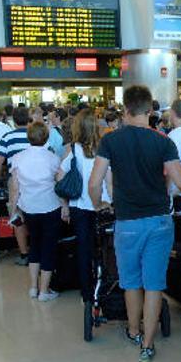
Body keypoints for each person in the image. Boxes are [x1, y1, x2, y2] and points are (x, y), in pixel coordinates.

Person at [88, 85, 181, 362]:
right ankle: (148, 344)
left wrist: (99, 204)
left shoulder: (110, 141)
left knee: (131, 282)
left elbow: (95, 182)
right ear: (150, 111)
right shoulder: (164, 142)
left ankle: (134, 331)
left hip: (127, 223)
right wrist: (173, 189)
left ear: (125, 110)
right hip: (159, 221)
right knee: (154, 284)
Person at [59, 110, 111, 305]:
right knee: (106, 248)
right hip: (103, 205)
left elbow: (60, 176)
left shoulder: (72, 149)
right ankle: (105, 286)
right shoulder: (104, 147)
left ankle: (87, 292)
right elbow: (110, 179)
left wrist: (64, 204)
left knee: (83, 248)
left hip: (80, 205)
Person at [10, 122, 65, 302]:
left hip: (28, 207)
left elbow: (15, 188)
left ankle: (33, 287)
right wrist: (65, 205)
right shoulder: (53, 158)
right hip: (50, 206)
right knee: (49, 247)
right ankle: (44, 290)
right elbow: (60, 185)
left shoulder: (18, 158)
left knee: (34, 244)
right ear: (47, 137)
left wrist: (13, 210)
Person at [0, 106, 40, 265]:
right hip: (37, 181)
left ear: (13, 120)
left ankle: (24, 254)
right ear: (29, 118)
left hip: (16, 181)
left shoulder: (7, 137)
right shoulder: (35, 135)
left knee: (18, 216)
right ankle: (37, 250)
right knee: (36, 214)